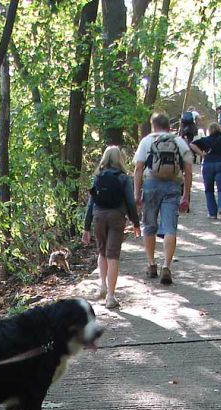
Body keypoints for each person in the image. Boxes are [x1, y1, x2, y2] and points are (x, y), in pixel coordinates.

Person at [133, 112, 193, 285]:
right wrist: (186, 195)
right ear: (169, 126)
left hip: (151, 184)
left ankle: (151, 264)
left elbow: (138, 168)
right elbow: (188, 170)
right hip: (173, 186)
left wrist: (137, 194)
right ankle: (166, 266)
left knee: (149, 226)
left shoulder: (147, 141)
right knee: (169, 227)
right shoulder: (179, 141)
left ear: (153, 125)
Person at [83, 146, 141, 309]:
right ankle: (110, 296)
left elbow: (90, 204)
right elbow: (130, 201)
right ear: (119, 159)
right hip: (116, 217)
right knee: (113, 255)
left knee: (102, 251)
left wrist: (86, 227)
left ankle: (102, 285)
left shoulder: (97, 177)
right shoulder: (124, 178)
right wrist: (135, 222)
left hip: (98, 216)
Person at [190, 123, 221, 221]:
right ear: (219, 129)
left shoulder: (205, 140)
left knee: (209, 189)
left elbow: (192, 144)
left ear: (210, 130)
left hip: (208, 164)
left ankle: (212, 213)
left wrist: (201, 154)